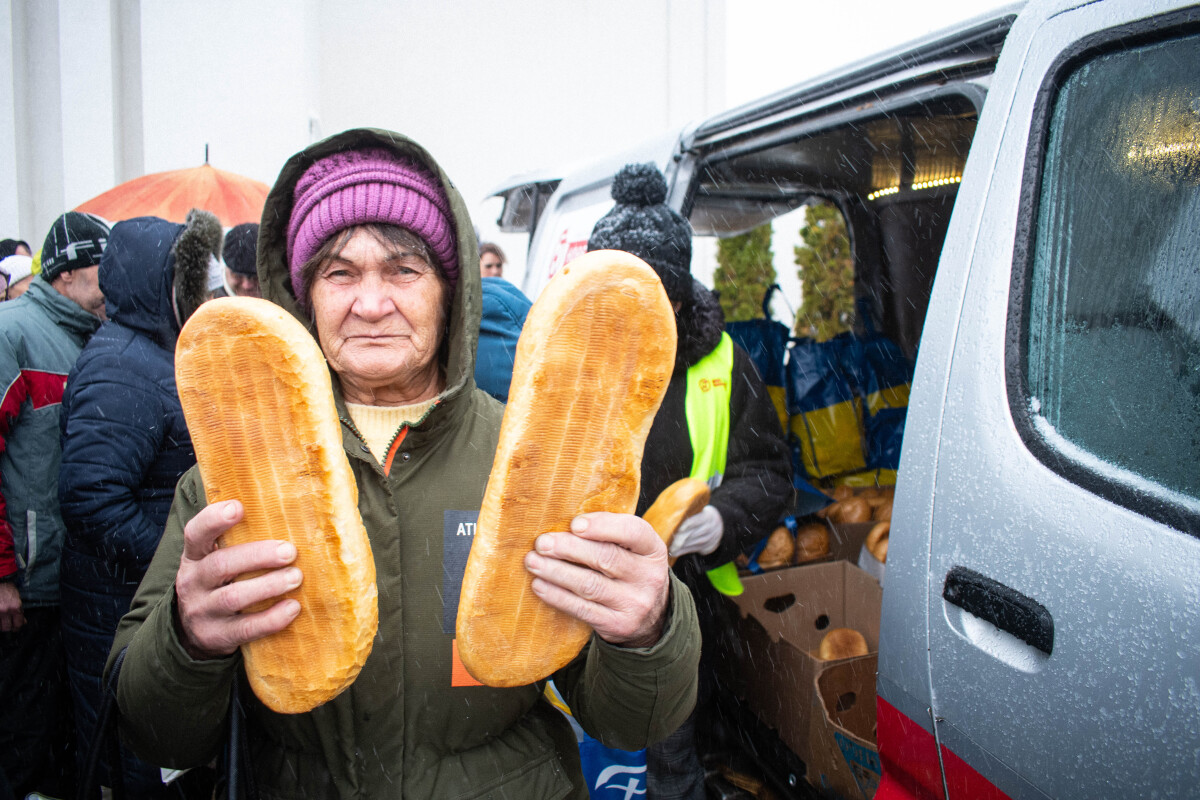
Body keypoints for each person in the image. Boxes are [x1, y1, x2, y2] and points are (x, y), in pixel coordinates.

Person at [108, 128, 700, 799]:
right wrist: (187, 641)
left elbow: (631, 722)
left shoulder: (535, 458)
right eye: (339, 271)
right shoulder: (231, 473)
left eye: (403, 269)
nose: (370, 302)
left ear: (452, 291)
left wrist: (647, 632)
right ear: (302, 294)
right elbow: (155, 732)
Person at [588, 163, 792, 800]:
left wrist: (725, 518)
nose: (645, 315)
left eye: (661, 297)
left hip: (703, 597)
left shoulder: (724, 361)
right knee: (637, 749)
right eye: (628, 296)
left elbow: (770, 471)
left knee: (699, 745)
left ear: (679, 295)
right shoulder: (575, 367)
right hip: (604, 597)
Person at [59, 210, 222, 798]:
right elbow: (89, 499)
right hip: (114, 601)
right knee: (133, 765)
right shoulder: (122, 367)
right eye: (187, 279)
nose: (196, 293)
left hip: (132, 596)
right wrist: (172, 558)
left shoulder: (150, 353)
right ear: (159, 283)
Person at [0, 210, 110, 800]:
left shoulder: (94, 336)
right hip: (25, 589)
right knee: (26, 743)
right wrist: (0, 576)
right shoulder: (11, 333)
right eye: (101, 264)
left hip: (70, 583)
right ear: (66, 272)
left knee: (67, 748)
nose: (111, 277)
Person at [476, 275, 531, 402]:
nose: (494, 270)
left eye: (498, 265)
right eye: (489, 265)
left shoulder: (493, 300)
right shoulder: (497, 293)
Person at [221, 222, 261, 297]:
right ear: (225, 270)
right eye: (237, 276)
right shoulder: (208, 299)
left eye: (256, 278)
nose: (247, 286)